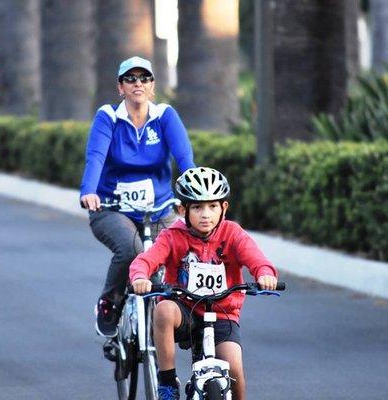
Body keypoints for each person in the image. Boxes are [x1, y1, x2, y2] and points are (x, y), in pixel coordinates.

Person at [130, 167, 279, 400]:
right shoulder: (172, 235)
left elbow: (257, 259)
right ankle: (167, 382)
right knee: (163, 309)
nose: (205, 214)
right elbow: (146, 260)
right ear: (183, 210)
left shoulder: (233, 234)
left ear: (224, 208)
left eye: (212, 206)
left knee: (235, 370)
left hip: (222, 314)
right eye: (197, 207)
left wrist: (265, 274)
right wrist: (140, 277)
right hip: (185, 310)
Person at [80, 56, 195, 338]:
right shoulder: (108, 117)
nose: (137, 84)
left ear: (152, 85)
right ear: (121, 87)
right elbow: (95, 157)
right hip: (112, 208)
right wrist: (89, 191)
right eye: (130, 79)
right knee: (132, 250)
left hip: (159, 207)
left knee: (179, 250)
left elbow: (184, 158)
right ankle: (110, 302)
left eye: (144, 78)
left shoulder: (165, 116)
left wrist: (192, 195)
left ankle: (177, 309)